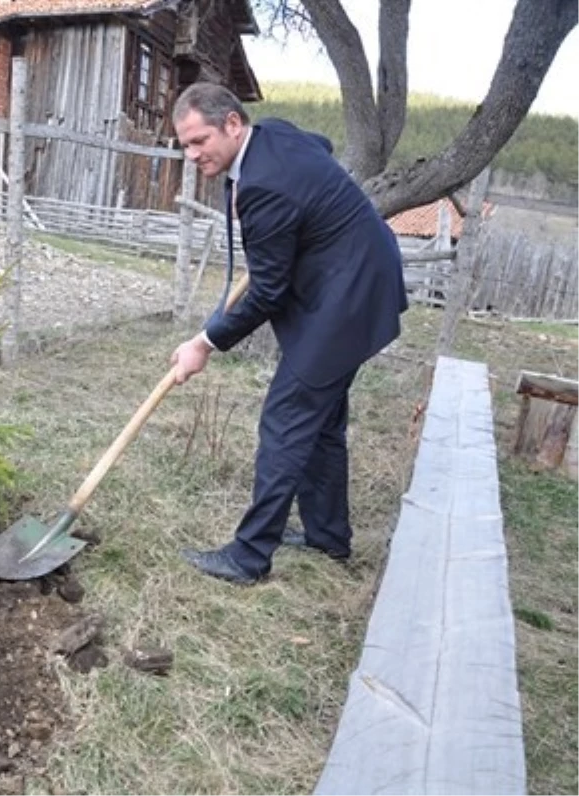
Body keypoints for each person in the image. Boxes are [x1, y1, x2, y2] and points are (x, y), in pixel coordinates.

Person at [168, 82, 407, 585]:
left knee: (286, 422)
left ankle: (248, 557)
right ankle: (328, 535)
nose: (191, 155)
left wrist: (204, 343)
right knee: (321, 424)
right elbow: (318, 144)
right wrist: (250, 188)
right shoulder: (272, 134)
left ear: (233, 124)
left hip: (347, 299)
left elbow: (268, 293)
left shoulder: (264, 188)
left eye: (199, 141)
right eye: (184, 145)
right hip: (362, 275)